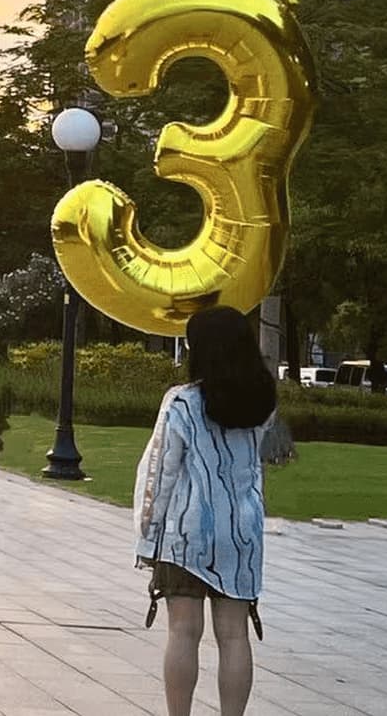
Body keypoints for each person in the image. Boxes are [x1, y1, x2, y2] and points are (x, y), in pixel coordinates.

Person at [135, 305, 277, 716]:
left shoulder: (181, 403)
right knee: (235, 635)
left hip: (187, 533)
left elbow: (159, 473)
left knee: (183, 631)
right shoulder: (263, 403)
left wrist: (147, 536)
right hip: (243, 532)